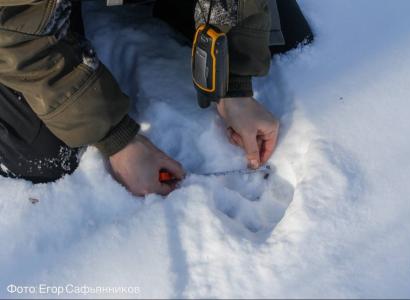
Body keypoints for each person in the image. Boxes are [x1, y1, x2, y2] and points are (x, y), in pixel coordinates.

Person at [0, 0, 312, 196]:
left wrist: (233, 81)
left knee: (279, 30)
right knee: (41, 153)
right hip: (14, 19)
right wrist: (116, 138)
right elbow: (17, 37)